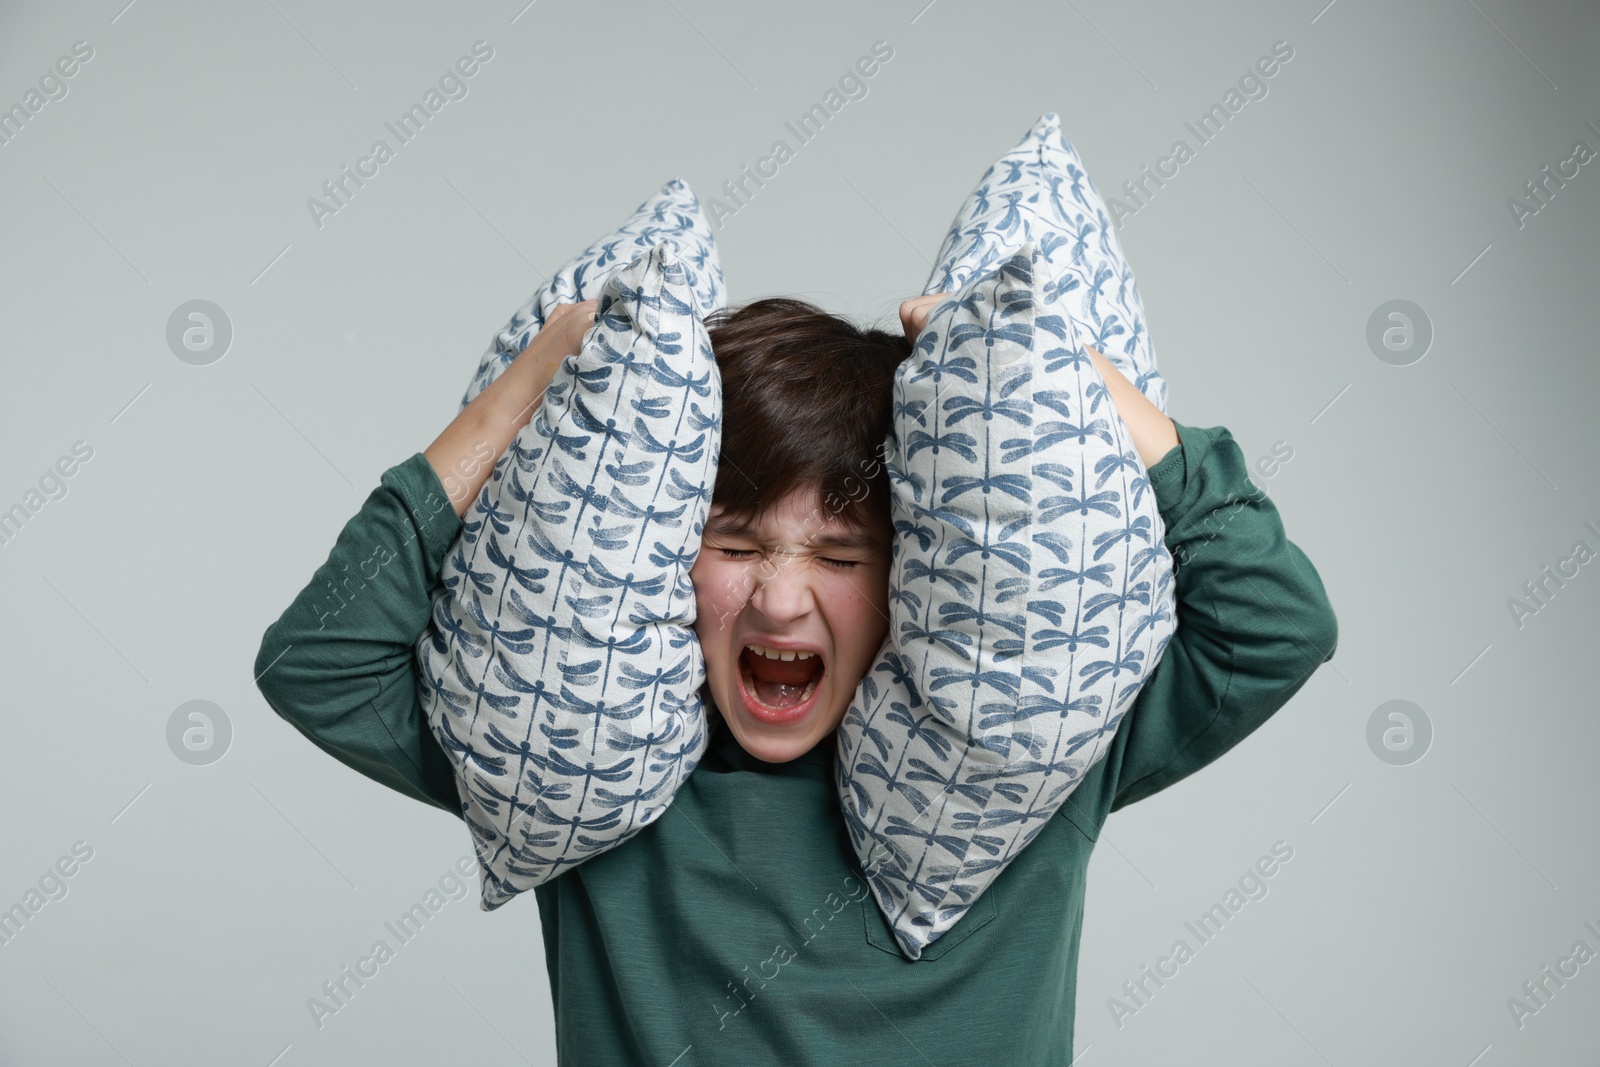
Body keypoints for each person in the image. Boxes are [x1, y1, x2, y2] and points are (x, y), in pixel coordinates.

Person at [255, 293, 1338, 1064]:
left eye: (837, 555)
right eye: (733, 542)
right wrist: (524, 391)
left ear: (914, 572)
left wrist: (1063, 366)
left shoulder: (1020, 766)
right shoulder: (593, 764)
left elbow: (1275, 621)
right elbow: (319, 662)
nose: (779, 599)